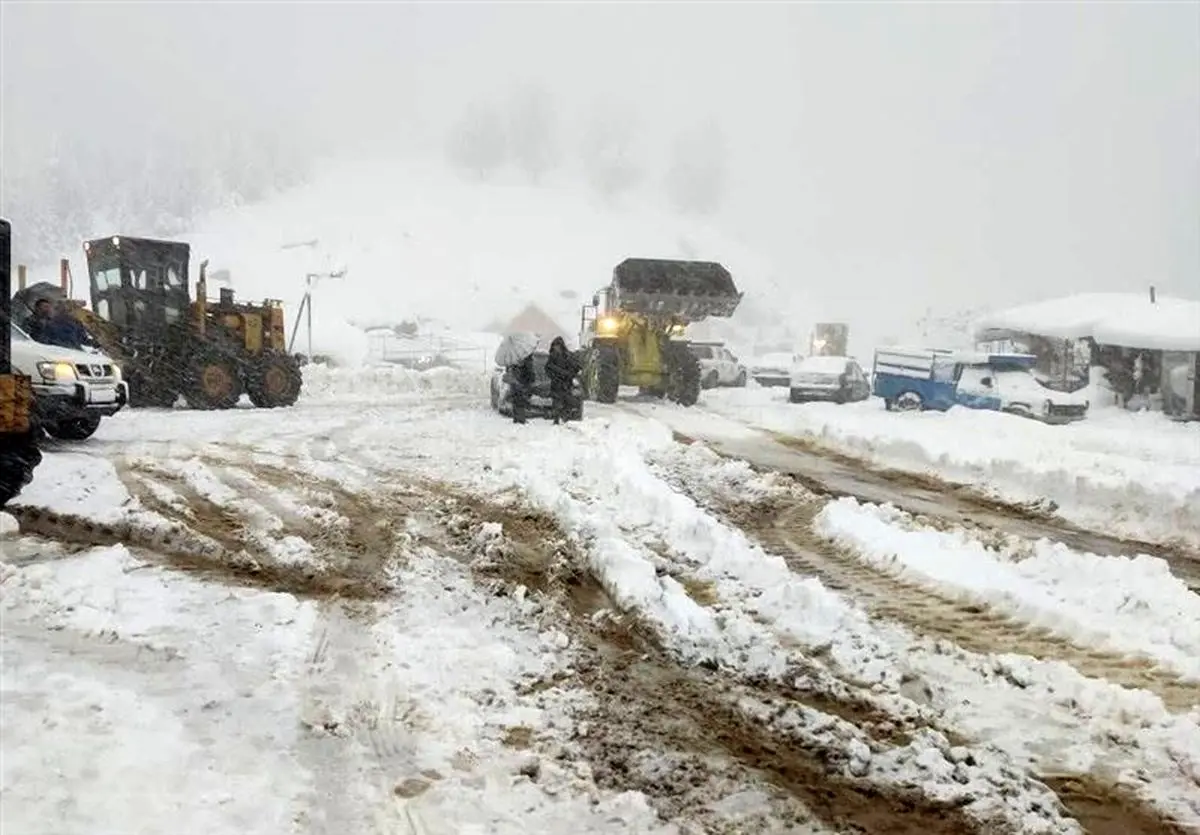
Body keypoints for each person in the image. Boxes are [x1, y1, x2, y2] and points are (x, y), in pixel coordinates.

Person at [545, 336, 581, 425]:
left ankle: (565, 417)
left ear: (561, 346)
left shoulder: (568, 356)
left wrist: (569, 375)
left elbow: (575, 367)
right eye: (554, 346)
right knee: (557, 402)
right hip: (556, 383)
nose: (556, 348)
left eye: (557, 346)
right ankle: (556, 419)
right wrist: (554, 375)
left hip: (566, 383)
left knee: (566, 401)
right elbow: (548, 369)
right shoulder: (552, 357)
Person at [509, 352, 536, 425]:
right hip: (521, 381)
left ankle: (518, 419)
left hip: (519, 381)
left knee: (518, 400)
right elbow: (530, 371)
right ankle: (520, 419)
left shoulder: (513, 356)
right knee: (519, 400)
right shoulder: (526, 356)